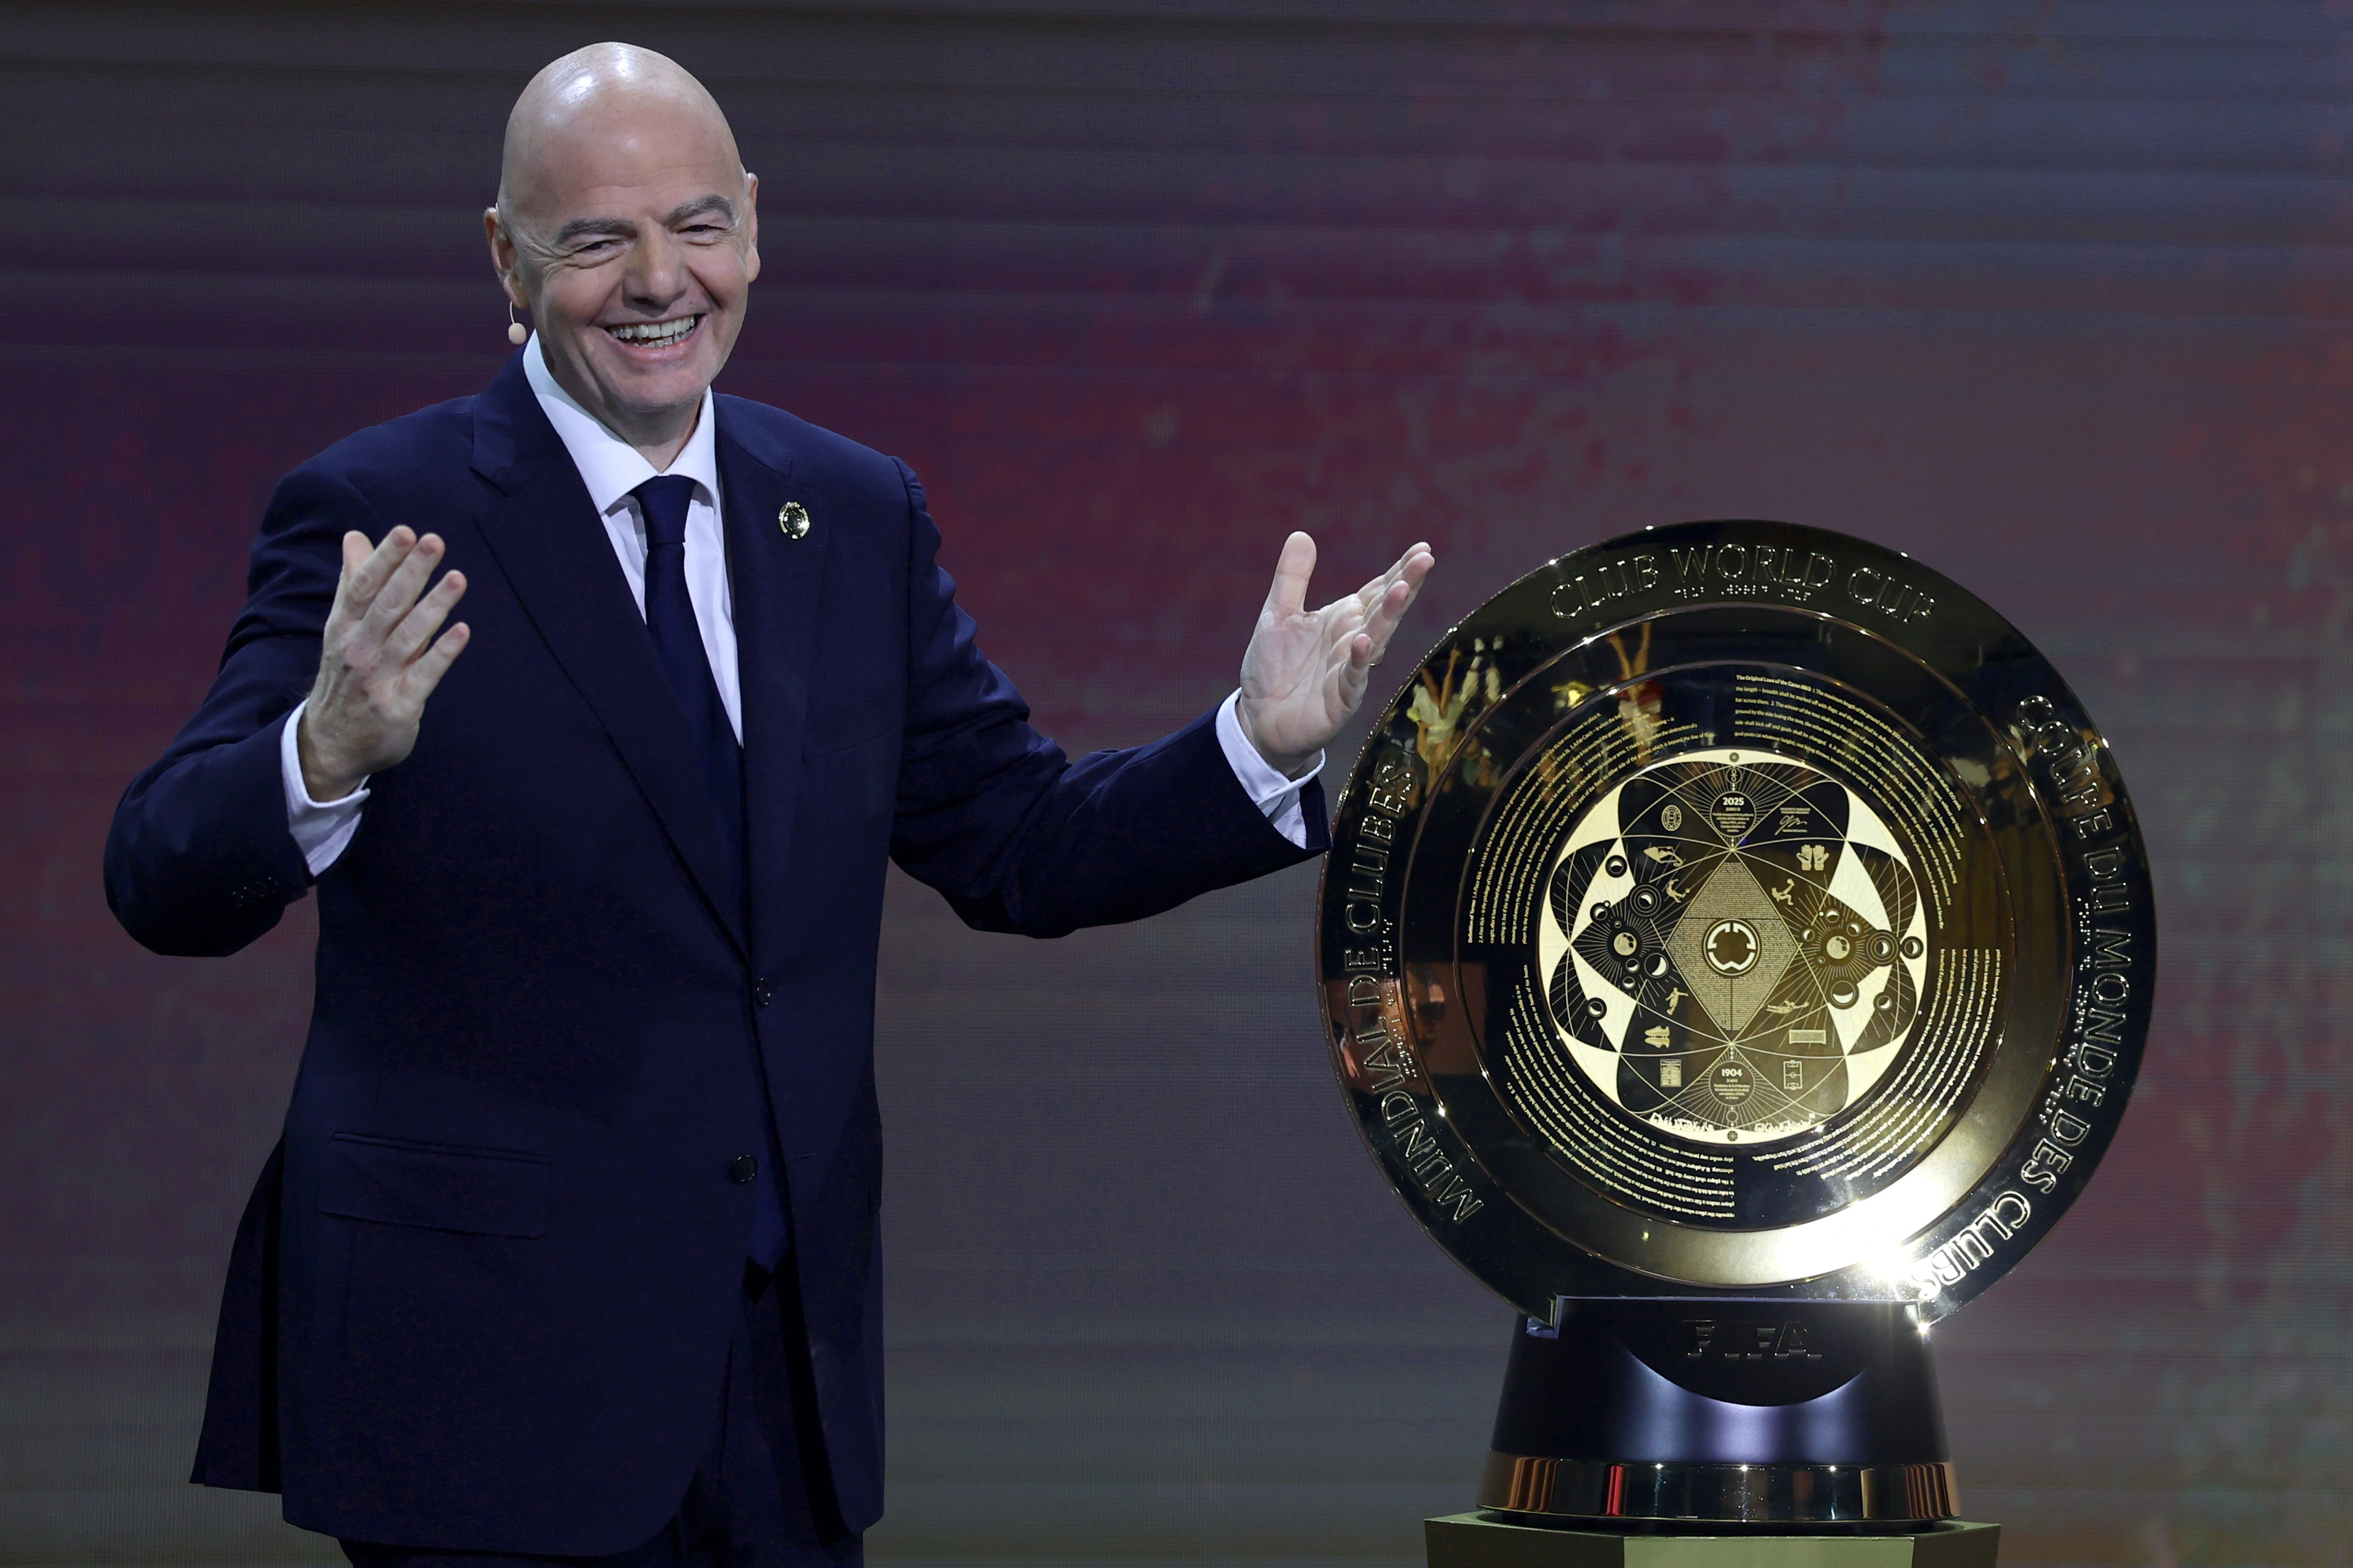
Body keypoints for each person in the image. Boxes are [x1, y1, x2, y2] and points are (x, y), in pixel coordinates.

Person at [102, 41, 1434, 1568]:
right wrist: (322, 753)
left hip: (778, 1384)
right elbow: (158, 867)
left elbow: (1017, 842)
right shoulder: (382, 510)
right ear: (507, 259)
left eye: (697, 226)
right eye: (596, 240)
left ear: (754, 222)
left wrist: (1250, 740)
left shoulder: (850, 512)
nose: (659, 282)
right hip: (482, 1378)